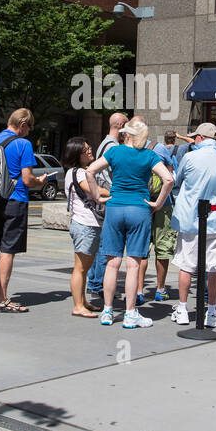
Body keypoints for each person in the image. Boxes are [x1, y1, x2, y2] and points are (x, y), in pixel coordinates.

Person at [85, 117, 172, 328]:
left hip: (115, 207)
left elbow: (90, 171)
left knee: (112, 262)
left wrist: (97, 196)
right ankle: (130, 313)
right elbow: (169, 179)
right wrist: (158, 204)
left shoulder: (115, 152)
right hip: (139, 209)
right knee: (133, 264)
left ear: (128, 134)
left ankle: (107, 311)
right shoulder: (149, 155)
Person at [0, 108, 43, 314]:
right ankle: (1, 297)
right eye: (29, 128)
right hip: (15, 200)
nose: (29, 132)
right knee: (8, 249)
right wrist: (40, 182)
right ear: (22, 125)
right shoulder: (23, 144)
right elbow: (27, 179)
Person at [168, 123, 216, 327]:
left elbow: (177, 180)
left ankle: (183, 309)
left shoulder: (190, 157)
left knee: (186, 265)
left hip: (190, 219)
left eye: (195, 137)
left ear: (201, 138)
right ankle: (211, 312)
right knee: (214, 267)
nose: (194, 140)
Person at [62, 136, 107, 318]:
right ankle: (78, 306)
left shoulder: (74, 171)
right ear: (76, 154)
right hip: (84, 224)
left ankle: (82, 301)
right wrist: (115, 191)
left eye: (89, 148)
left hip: (84, 224)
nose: (90, 151)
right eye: (85, 150)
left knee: (84, 267)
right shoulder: (79, 173)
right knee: (80, 267)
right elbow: (92, 189)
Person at [85, 111, 127, 303]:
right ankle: (98, 284)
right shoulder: (112, 146)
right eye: (126, 125)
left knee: (103, 243)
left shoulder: (105, 143)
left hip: (105, 198)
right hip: (110, 198)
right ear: (119, 125)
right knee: (107, 245)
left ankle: (95, 282)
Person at [142, 137, 177, 305]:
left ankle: (138, 291)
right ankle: (160, 290)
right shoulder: (159, 148)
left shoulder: (127, 149)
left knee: (140, 248)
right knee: (162, 247)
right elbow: (171, 174)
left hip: (140, 203)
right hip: (163, 203)